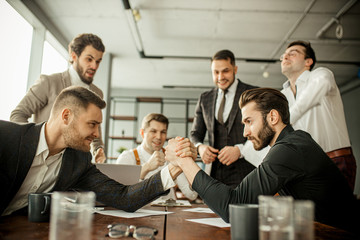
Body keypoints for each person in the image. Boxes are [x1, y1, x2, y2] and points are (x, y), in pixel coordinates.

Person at [166, 88, 359, 234]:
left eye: (249, 121)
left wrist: (184, 162)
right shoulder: (292, 142)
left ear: (273, 117)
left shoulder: (289, 149)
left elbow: (232, 207)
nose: (244, 132)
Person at [0, 86, 196, 217]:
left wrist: (174, 169)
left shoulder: (78, 161)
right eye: (92, 124)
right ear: (66, 116)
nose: (96, 134)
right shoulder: (6, 136)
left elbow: (124, 197)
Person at [10, 33, 107, 163]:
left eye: (98, 61)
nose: (94, 66)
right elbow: (18, 114)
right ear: (74, 56)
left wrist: (98, 149)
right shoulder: (49, 82)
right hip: (41, 160)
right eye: (89, 59)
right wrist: (35, 144)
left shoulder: (97, 93)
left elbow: (94, 126)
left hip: (71, 165)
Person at [280, 40, 357, 191]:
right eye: (283, 56)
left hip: (335, 160)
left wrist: (285, 120)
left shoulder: (321, 74)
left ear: (308, 61)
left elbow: (311, 96)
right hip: (303, 166)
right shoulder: (282, 95)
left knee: (336, 214)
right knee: (308, 214)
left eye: (293, 53)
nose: (285, 57)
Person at [190, 49, 263, 188]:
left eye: (225, 71)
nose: (220, 77)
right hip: (215, 174)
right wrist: (200, 147)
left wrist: (240, 150)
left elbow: (263, 132)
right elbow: (195, 134)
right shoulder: (204, 99)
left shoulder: (253, 94)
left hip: (247, 172)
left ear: (235, 69)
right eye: (216, 72)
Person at [116, 113, 197, 201]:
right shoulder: (127, 157)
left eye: (163, 132)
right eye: (153, 131)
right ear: (142, 133)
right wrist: (147, 167)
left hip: (169, 212)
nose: (159, 137)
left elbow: (192, 195)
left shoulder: (172, 157)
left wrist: (188, 164)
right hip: (141, 212)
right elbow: (120, 194)